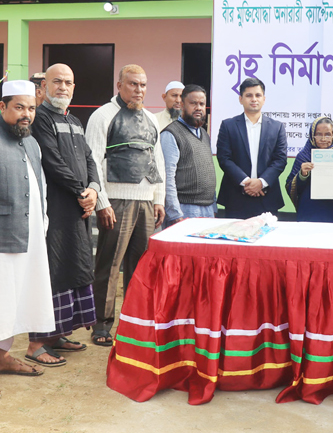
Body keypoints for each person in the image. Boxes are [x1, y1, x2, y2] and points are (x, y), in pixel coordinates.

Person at [0, 80, 56, 401]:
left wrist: (42, 225)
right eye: (19, 107)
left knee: (16, 300)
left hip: (30, 236)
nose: (26, 114)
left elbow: (40, 187)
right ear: (2, 106)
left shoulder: (31, 142)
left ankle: (1, 357)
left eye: (31, 108)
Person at [87, 64, 165, 347]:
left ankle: (133, 322)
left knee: (140, 267)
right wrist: (102, 202)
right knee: (109, 266)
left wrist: (159, 199)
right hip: (116, 202)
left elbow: (158, 161)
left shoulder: (151, 119)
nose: (139, 90)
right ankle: (101, 325)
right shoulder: (102, 116)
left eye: (143, 85)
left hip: (146, 202)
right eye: (133, 84)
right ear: (119, 85)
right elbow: (92, 161)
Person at [29, 63, 101, 360]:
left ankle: (58, 336)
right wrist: (80, 192)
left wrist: (93, 188)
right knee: (53, 272)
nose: (63, 87)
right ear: (43, 87)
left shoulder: (74, 121)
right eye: (56, 82)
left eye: (68, 83)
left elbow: (89, 158)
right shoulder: (40, 118)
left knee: (74, 268)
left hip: (78, 209)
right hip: (55, 210)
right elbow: (52, 161)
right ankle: (37, 343)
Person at [216, 77, 288, 219]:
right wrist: (246, 182)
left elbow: (280, 160)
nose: (254, 99)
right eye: (249, 95)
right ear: (240, 99)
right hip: (236, 196)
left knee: (267, 240)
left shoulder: (277, 127)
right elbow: (224, 158)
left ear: (264, 99)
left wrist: (261, 183)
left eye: (258, 95)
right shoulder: (228, 126)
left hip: (267, 197)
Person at [161, 84, 217, 227]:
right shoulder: (171, 134)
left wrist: (214, 207)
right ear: (182, 105)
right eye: (193, 103)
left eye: (202, 104)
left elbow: (209, 172)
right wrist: (175, 213)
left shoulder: (204, 134)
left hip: (208, 210)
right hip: (184, 210)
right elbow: (168, 177)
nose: (198, 107)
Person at [285, 116, 333, 223]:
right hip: (309, 210)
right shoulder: (303, 156)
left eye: (327, 134)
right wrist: (302, 175)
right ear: (312, 136)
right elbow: (290, 186)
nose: (323, 139)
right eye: (319, 134)